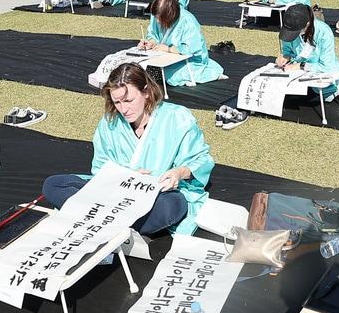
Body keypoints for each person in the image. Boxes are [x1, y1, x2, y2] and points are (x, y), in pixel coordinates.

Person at [43, 62, 212, 235]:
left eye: (129, 100)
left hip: (157, 195)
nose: (124, 109)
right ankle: (120, 224)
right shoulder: (110, 123)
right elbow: (100, 167)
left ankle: (103, 222)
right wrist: (127, 174)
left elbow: (201, 160)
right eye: (117, 102)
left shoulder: (177, 117)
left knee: (172, 206)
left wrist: (178, 173)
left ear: (146, 92)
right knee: (54, 185)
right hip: (115, 192)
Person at [141, 0, 223, 86]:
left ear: (168, 16)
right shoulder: (157, 15)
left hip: (189, 60)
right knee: (140, 68)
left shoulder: (188, 21)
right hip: (163, 56)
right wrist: (151, 42)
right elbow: (153, 33)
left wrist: (169, 49)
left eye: (159, 18)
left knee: (171, 75)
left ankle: (209, 74)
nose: (157, 21)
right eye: (155, 17)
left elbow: (191, 49)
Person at [276, 4, 339, 100]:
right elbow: (287, 49)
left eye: (294, 31)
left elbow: (326, 66)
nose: (291, 35)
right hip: (296, 75)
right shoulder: (290, 28)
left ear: (307, 24)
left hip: (321, 78)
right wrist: (286, 56)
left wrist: (301, 65)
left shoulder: (324, 32)